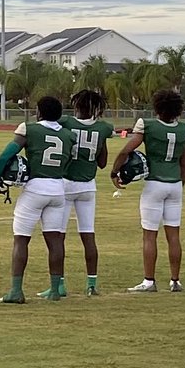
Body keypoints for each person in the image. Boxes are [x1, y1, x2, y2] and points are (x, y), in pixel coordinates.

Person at [0, 96, 74, 303]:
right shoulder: (68, 135)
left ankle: (16, 291)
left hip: (35, 188)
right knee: (55, 240)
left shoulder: (30, 129)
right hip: (57, 189)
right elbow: (68, 160)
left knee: (21, 239)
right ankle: (55, 290)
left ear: (39, 112)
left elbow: (6, 155)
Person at [113, 89, 185, 292]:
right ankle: (175, 281)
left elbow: (126, 150)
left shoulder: (148, 126)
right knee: (173, 235)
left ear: (157, 107)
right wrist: (177, 185)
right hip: (174, 184)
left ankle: (149, 281)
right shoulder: (184, 130)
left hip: (155, 183)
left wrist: (115, 172)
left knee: (150, 235)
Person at [58, 89, 116, 296]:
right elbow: (102, 163)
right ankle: (91, 284)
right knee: (88, 235)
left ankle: (59, 285)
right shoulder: (103, 128)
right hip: (88, 186)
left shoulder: (66, 123)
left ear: (77, 105)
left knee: (58, 236)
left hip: (65, 184)